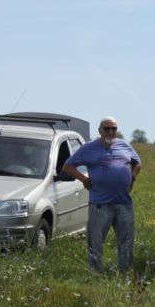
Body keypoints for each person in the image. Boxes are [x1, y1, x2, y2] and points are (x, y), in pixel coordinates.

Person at [62, 116, 143, 272]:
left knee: (126, 240)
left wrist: (132, 176)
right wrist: (84, 179)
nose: (111, 132)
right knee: (95, 242)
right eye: (107, 128)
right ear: (100, 131)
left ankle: (124, 272)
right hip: (100, 204)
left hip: (123, 202)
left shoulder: (124, 145)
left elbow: (137, 162)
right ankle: (95, 273)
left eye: (114, 129)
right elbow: (68, 166)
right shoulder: (88, 148)